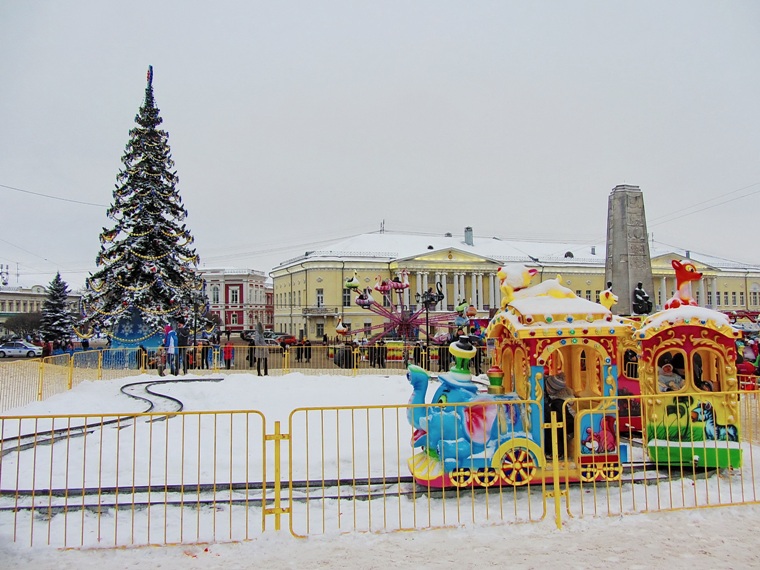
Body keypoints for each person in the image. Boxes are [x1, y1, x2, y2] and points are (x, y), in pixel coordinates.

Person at [544, 372, 576, 458]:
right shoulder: (559, 398)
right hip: (569, 421)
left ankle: (557, 453)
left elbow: (559, 417)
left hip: (570, 424)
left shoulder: (558, 402)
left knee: (553, 427)